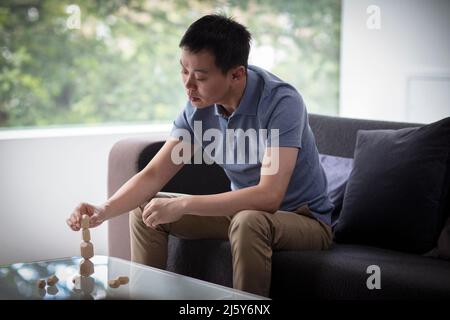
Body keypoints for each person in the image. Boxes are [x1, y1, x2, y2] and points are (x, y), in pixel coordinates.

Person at [66, 14, 333, 297]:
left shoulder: (281, 102)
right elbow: (155, 174)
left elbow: (269, 196)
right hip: (243, 213)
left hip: (303, 219)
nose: (188, 85)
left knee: (249, 221)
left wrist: (184, 204)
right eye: (184, 71)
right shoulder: (199, 106)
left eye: (201, 77)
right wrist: (103, 210)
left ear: (236, 74)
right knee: (147, 208)